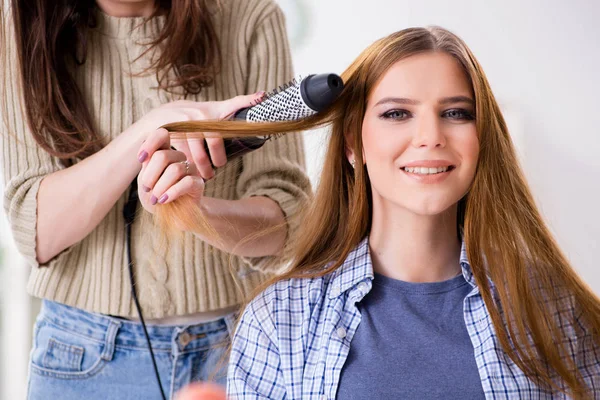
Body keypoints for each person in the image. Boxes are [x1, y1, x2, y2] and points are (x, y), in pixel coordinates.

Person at [155, 26, 600, 399]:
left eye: (456, 113)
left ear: (482, 138)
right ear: (352, 143)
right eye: (396, 114)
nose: (430, 135)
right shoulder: (280, 318)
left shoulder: (551, 307)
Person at [0, 0, 310, 398]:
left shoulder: (250, 17)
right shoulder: (24, 27)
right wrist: (154, 126)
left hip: (236, 352)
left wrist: (197, 213)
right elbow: (37, 232)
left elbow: (290, 224)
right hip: (85, 356)